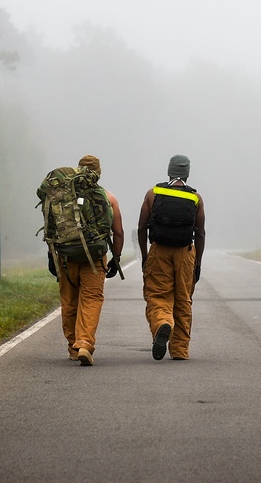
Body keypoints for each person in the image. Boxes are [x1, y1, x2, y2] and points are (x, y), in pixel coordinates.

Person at [53, 154, 124, 366]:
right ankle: (84, 343)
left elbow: (52, 227)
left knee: (69, 299)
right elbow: (118, 232)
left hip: (66, 256)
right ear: (99, 173)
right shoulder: (108, 198)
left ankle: (72, 347)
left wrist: (52, 256)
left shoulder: (62, 196)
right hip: (95, 258)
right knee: (91, 299)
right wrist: (116, 258)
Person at [137, 154, 205, 361]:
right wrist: (198, 263)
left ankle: (162, 323)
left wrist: (144, 255)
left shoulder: (153, 193)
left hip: (159, 251)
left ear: (169, 171)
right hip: (185, 253)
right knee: (183, 300)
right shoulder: (195, 197)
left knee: (158, 295)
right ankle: (180, 350)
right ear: (187, 173)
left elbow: (141, 227)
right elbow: (200, 232)